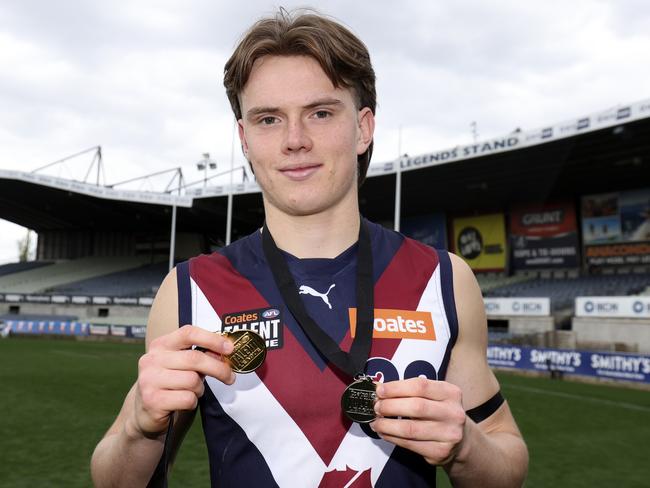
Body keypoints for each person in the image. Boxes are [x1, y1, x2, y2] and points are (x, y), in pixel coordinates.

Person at [91, 8, 528, 487]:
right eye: (269, 119)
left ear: (363, 129)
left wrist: (465, 444)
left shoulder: (444, 280)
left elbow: (506, 462)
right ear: (244, 138)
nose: (295, 140)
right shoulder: (189, 292)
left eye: (320, 113)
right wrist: (137, 424)